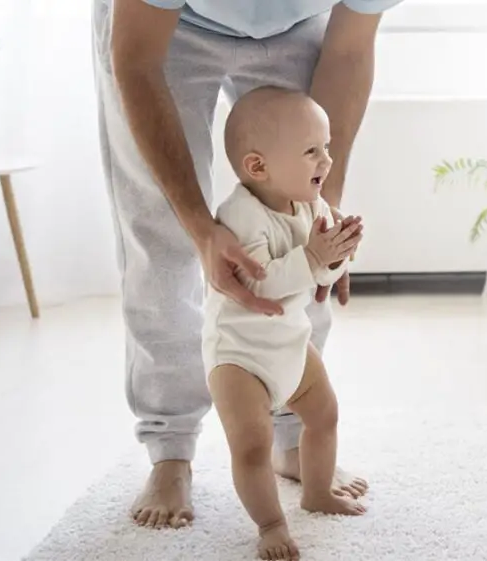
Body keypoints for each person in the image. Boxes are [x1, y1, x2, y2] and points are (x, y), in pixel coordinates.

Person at [90, 0, 400, 530]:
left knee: (301, 225)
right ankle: (170, 448)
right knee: (162, 235)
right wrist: (198, 226)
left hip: (298, 26)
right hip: (165, 29)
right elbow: (137, 60)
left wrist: (321, 214)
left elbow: (348, 51)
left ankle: (292, 433)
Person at [203, 86, 363, 561]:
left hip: (291, 344)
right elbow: (261, 284)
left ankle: (316, 492)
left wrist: (338, 255)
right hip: (239, 357)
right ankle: (271, 524)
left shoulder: (312, 205)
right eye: (312, 151)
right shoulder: (239, 217)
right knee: (253, 447)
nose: (327, 161)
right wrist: (314, 256)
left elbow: (320, 276)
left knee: (325, 415)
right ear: (258, 167)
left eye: (327, 147)